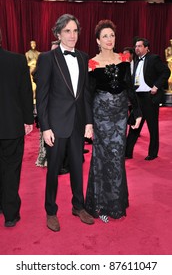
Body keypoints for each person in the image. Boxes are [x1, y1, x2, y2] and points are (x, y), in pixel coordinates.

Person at [35, 14, 94, 232]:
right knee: (53, 172)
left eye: (75, 31)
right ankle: (51, 211)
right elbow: (41, 97)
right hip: (56, 125)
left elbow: (85, 93)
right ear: (58, 33)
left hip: (78, 124)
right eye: (67, 31)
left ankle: (78, 206)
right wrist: (45, 127)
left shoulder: (83, 57)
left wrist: (89, 121)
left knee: (78, 168)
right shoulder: (47, 58)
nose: (72, 35)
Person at [84, 20, 142, 223]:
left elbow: (129, 87)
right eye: (105, 36)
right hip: (101, 116)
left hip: (119, 116)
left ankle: (116, 203)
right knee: (101, 157)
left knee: (117, 157)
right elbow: (88, 95)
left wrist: (136, 111)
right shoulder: (92, 63)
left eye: (112, 35)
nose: (110, 39)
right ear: (98, 40)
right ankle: (99, 204)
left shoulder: (124, 59)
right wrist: (88, 122)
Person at [0, 28, 34, 227]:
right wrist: (29, 119)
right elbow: (26, 93)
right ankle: (11, 214)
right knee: (11, 169)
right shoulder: (17, 60)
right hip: (12, 125)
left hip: (12, 126)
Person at [125, 38, 170, 161]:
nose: (137, 48)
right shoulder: (135, 60)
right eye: (136, 46)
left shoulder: (153, 58)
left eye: (139, 46)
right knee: (134, 125)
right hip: (137, 98)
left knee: (152, 127)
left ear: (146, 48)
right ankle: (127, 153)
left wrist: (156, 86)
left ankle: (153, 153)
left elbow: (166, 71)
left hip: (150, 97)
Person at [35, 40, 70, 174]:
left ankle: (62, 162)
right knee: (49, 136)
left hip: (62, 108)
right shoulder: (45, 61)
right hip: (48, 106)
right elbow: (37, 77)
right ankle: (52, 162)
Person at [25, 40, 40, 105]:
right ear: (30, 45)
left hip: (38, 71)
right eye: (32, 44)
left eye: (34, 43)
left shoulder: (39, 53)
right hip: (30, 71)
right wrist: (32, 62)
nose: (33, 45)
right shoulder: (27, 54)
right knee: (31, 85)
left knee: (38, 85)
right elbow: (26, 64)